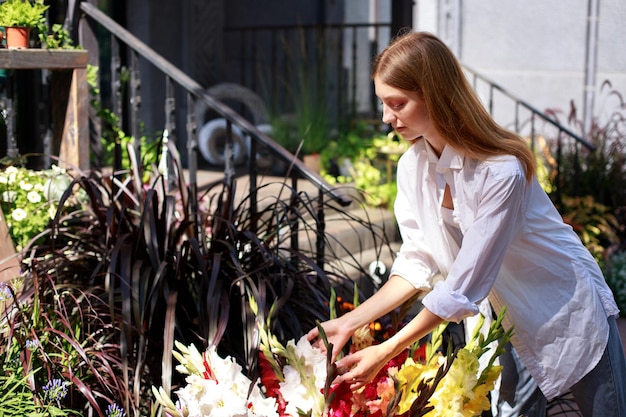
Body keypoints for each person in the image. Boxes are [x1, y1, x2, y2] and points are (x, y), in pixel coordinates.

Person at [307, 31, 626, 417]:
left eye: (397, 104)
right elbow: (418, 261)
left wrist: (388, 349)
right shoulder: (413, 166)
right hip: (502, 315)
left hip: (563, 305)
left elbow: (461, 286)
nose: (386, 118)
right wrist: (349, 322)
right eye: (383, 104)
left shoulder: (500, 172)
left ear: (435, 94)